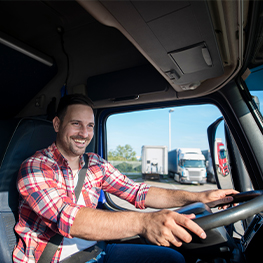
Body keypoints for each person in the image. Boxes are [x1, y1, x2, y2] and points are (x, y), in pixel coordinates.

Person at [13, 94, 238, 263]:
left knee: (172, 259)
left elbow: (139, 192)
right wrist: (144, 222)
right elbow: (69, 219)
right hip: (56, 259)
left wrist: (201, 197)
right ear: (56, 124)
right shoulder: (34, 168)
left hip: (97, 250)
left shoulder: (95, 164)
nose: (84, 133)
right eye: (76, 124)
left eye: (90, 125)